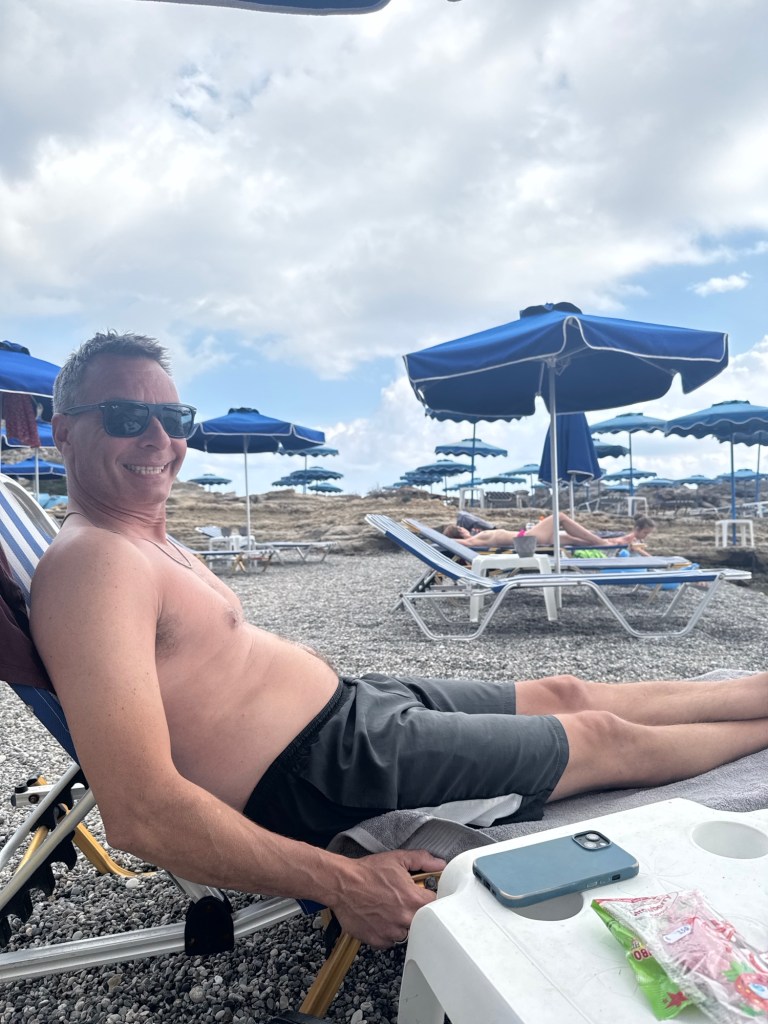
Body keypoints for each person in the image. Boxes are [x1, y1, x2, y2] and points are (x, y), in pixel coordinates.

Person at [30, 332, 768, 950]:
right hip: (329, 773)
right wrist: (343, 881)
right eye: (126, 416)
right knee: (600, 735)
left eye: (174, 417)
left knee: (565, 691)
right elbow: (141, 809)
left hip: (355, 710)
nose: (160, 439)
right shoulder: (94, 564)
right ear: (61, 432)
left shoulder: (143, 541)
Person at [441, 513, 656, 554]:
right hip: (527, 539)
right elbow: (455, 543)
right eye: (460, 529)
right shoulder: (475, 540)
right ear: (458, 534)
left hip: (528, 538)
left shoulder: (478, 538)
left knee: (573, 539)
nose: (464, 527)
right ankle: (602, 543)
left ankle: (611, 542)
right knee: (560, 516)